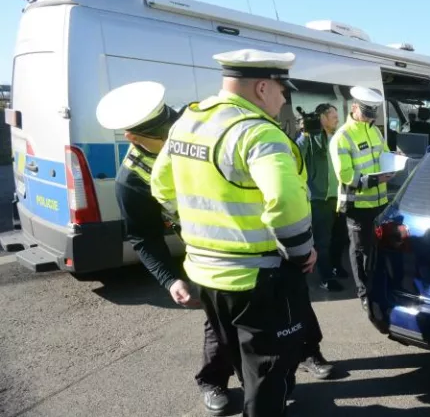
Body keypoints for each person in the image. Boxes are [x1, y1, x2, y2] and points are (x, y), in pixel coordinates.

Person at [150, 48, 319, 416]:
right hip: (258, 277)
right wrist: (302, 251)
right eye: (282, 89)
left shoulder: (187, 122)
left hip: (205, 274)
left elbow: (162, 187)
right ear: (262, 88)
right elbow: (286, 199)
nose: (284, 97)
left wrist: (198, 228)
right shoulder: (257, 132)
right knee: (268, 371)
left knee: (239, 357)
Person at [96, 81, 236, 416]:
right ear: (132, 136)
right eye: (163, 135)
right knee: (218, 322)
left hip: (250, 238)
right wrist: (171, 280)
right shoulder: (132, 179)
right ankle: (213, 380)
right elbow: (144, 237)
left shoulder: (196, 123)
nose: (174, 136)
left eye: (172, 123)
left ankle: (290, 361)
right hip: (206, 254)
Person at [328, 87, 391, 313]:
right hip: (357, 205)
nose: (369, 117)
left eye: (372, 114)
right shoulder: (342, 136)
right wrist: (373, 181)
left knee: (376, 248)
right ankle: (364, 293)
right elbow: (345, 175)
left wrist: (393, 163)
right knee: (360, 250)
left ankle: (376, 286)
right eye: (366, 113)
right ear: (354, 107)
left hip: (379, 202)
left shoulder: (375, 131)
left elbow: (384, 154)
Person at [296, 104, 349, 293]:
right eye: (333, 116)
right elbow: (296, 158)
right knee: (323, 241)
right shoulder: (310, 138)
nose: (337, 119)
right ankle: (326, 277)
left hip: (339, 197)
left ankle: (336, 266)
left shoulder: (337, 137)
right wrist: (304, 134)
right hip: (319, 199)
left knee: (340, 237)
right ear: (322, 118)